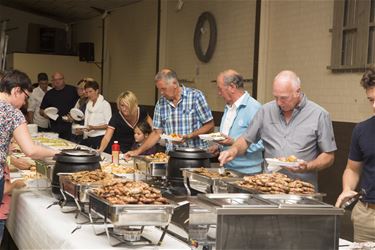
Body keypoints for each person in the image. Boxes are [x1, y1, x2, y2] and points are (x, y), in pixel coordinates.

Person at [218, 70, 337, 189]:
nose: (279, 103)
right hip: (269, 186)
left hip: (301, 188)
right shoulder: (265, 111)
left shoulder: (319, 115)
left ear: (298, 92)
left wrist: (308, 166)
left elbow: (328, 156)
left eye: (284, 98)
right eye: (276, 97)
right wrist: (232, 151)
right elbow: (246, 139)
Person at [125, 68, 214, 158]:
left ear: (175, 83)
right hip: (173, 156)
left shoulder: (195, 96)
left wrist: (189, 136)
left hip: (197, 156)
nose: (162, 93)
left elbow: (210, 126)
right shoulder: (161, 103)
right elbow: (156, 133)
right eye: (160, 90)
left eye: (164, 89)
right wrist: (138, 151)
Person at [0, 70, 58, 202]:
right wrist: (58, 153)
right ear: (16, 90)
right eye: (25, 97)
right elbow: (31, 150)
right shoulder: (13, 113)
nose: (25, 103)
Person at [335, 66, 375, 242]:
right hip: (367, 217)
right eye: (371, 100)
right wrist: (347, 189)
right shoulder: (362, 130)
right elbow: (353, 169)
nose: (374, 106)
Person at [208, 70, 264, 174]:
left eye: (220, 89)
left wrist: (234, 142)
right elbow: (228, 138)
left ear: (232, 87)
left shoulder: (254, 108)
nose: (219, 93)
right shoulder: (228, 107)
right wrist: (219, 147)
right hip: (227, 170)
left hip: (248, 173)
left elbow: (262, 143)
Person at [40, 72, 79, 140]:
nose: (57, 81)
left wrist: (75, 117)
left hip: (70, 127)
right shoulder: (49, 94)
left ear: (63, 79)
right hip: (55, 127)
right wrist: (44, 114)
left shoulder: (73, 90)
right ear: (52, 81)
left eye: (59, 79)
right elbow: (41, 110)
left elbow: (81, 104)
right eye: (54, 80)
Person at [79, 79, 111, 149]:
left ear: (97, 91)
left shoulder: (105, 104)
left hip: (101, 137)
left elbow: (109, 125)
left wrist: (94, 128)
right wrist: (82, 129)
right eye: (87, 92)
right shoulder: (88, 104)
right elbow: (87, 122)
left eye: (90, 91)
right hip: (89, 137)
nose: (89, 94)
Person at [69, 78, 89, 143]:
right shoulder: (79, 100)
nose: (79, 91)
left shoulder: (89, 102)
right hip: (75, 130)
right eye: (78, 88)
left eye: (82, 89)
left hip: (84, 133)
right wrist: (71, 117)